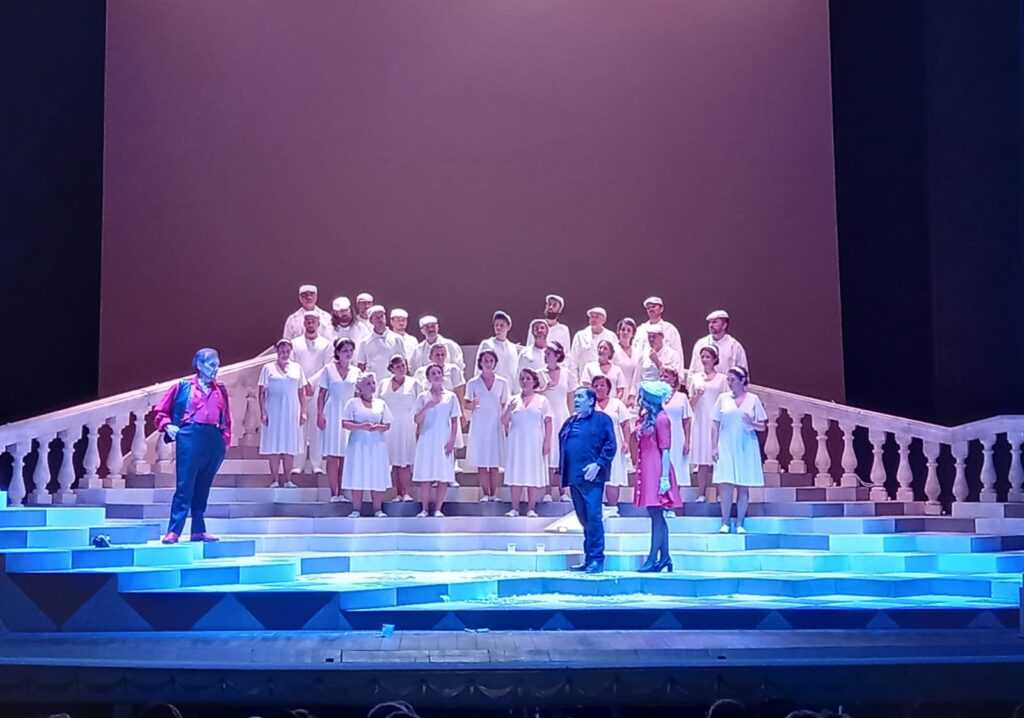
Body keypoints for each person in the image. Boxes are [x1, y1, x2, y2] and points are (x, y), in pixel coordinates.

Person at [154, 348, 231, 544]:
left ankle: (198, 530)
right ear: (199, 365)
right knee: (185, 485)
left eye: (217, 365)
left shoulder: (220, 389)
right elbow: (161, 411)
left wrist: (224, 441)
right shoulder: (183, 387)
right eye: (211, 365)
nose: (216, 369)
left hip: (213, 437)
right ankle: (174, 530)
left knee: (203, 486)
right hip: (190, 435)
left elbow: (227, 418)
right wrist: (167, 425)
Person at [558, 387, 617, 574]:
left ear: (591, 401)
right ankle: (589, 558)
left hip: (592, 477)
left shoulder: (602, 419)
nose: (576, 400)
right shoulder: (570, 421)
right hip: (574, 476)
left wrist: (598, 464)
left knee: (593, 517)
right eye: (575, 397)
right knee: (583, 519)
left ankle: (597, 559)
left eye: (580, 397)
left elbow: (611, 444)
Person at [634, 380, 683, 572]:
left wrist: (664, 478)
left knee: (656, 513)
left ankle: (654, 556)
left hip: (656, 469)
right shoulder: (647, 418)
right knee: (655, 514)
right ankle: (665, 557)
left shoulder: (662, 419)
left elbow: (665, 449)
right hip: (647, 467)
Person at [712, 366, 767, 533]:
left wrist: (752, 423)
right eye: (728, 380)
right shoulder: (723, 398)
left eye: (733, 380)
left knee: (743, 485)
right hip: (726, 444)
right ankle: (725, 522)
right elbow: (715, 423)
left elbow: (762, 426)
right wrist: (714, 447)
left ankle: (740, 523)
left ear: (742, 381)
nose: (730, 383)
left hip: (746, 445)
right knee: (726, 484)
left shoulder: (753, 399)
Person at [501, 368, 553, 517]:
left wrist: (547, 442)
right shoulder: (513, 399)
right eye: (522, 378)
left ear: (534, 381)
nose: (524, 381)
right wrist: (509, 409)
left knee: (533, 472)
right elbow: (503, 421)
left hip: (534, 440)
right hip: (516, 440)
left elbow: (548, 422)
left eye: (528, 378)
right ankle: (515, 508)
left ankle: (531, 508)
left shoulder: (542, 400)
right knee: (516, 472)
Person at [412, 363, 462, 517]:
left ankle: (438, 509)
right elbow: (417, 419)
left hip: (443, 438)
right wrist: (426, 407)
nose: (436, 376)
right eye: (433, 373)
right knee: (426, 476)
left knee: (443, 476)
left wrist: (452, 440)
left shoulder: (451, 397)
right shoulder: (423, 396)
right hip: (427, 439)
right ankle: (424, 509)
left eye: (438, 373)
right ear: (428, 377)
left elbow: (454, 420)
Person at [341, 373, 393, 517]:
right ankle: (356, 509)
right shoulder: (352, 403)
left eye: (373, 383)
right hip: (358, 444)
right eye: (368, 384)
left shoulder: (381, 403)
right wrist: (361, 426)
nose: (372, 386)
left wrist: (377, 427)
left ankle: (377, 509)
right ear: (360, 387)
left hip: (376, 444)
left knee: (376, 474)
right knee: (358, 473)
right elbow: (345, 423)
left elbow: (387, 424)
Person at [258, 339, 308, 488]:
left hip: (291, 409)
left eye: (287, 351)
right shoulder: (268, 368)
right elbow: (262, 392)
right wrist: (263, 412)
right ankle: (274, 479)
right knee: (273, 445)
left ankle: (288, 480)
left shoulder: (297, 368)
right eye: (282, 351)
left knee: (289, 445)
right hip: (273, 409)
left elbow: (302, 391)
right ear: (277, 351)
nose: (285, 354)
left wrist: (304, 411)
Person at [316, 338, 359, 502]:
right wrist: (320, 414)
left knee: (345, 456)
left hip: (348, 415)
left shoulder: (356, 372)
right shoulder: (328, 370)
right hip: (332, 413)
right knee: (333, 456)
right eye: (345, 350)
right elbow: (322, 394)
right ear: (338, 353)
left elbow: (357, 395)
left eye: (350, 350)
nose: (348, 353)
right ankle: (334, 493)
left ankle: (342, 491)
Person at [464, 350, 510, 502]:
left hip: (495, 424)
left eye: (491, 360)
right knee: (482, 461)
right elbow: (466, 404)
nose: (488, 363)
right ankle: (485, 493)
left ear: (495, 363)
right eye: (486, 360)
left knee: (494, 461)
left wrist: (506, 425)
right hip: (479, 425)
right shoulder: (473, 383)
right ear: (480, 363)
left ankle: (494, 494)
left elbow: (505, 404)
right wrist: (472, 404)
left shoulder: (502, 382)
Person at [291, 312, 332, 475]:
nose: (310, 324)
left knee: (316, 426)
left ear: (318, 323)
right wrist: (303, 383)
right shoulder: (295, 343)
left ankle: (317, 464)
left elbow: (327, 367)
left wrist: (311, 382)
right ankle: (297, 464)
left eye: (312, 321)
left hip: (318, 389)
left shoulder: (326, 344)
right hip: (299, 388)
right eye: (307, 321)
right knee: (299, 426)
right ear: (304, 323)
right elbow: (292, 365)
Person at [688, 344, 729, 502]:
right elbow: (690, 404)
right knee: (702, 459)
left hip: (715, 420)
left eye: (708, 357)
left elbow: (726, 400)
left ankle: (719, 494)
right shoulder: (696, 378)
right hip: (700, 420)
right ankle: (701, 493)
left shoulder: (722, 379)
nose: (705, 360)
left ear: (714, 359)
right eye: (703, 357)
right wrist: (697, 395)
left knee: (717, 459)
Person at [378, 355, 421, 503]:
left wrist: (420, 427)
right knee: (395, 463)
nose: (401, 369)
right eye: (397, 367)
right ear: (391, 369)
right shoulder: (383, 383)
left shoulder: (414, 383)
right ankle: (398, 493)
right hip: (389, 428)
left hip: (408, 426)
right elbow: (378, 404)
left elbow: (421, 405)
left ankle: (407, 492)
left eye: (403, 365)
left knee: (405, 461)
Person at [540, 341, 575, 502]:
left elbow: (570, 397)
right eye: (545, 353)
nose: (546, 356)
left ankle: (563, 491)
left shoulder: (566, 373)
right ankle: (547, 491)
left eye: (549, 353)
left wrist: (571, 417)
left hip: (562, 416)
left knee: (562, 453)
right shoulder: (539, 373)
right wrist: (544, 389)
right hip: (546, 417)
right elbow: (535, 394)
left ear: (557, 355)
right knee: (548, 454)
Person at [592, 376, 630, 515]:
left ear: (608, 387)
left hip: (613, 445)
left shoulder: (617, 404)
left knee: (613, 476)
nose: (598, 388)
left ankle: (613, 507)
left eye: (602, 385)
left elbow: (625, 424)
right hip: (594, 446)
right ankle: (595, 508)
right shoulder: (590, 404)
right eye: (596, 385)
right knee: (595, 476)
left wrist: (626, 442)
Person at [690, 309, 749, 377]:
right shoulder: (701, 344)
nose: (711, 325)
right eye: (710, 322)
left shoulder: (735, 347)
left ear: (724, 325)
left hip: (725, 383)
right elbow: (692, 370)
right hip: (701, 383)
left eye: (714, 322)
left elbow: (743, 375)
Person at [355, 305, 407, 381]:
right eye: (377, 317)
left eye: (382, 316)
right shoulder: (365, 342)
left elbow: (404, 362)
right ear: (371, 321)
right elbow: (361, 365)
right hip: (373, 383)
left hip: (392, 382)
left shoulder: (396, 338)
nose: (380, 320)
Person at [661, 367, 693, 488]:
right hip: (660, 436)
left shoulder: (682, 397)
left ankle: (675, 497)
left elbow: (687, 420)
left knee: (677, 468)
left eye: (666, 376)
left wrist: (687, 441)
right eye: (661, 376)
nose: (662, 379)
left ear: (674, 379)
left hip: (677, 436)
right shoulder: (657, 397)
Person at [568, 307, 616, 379]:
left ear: (604, 320)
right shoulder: (580, 336)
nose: (593, 319)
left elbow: (614, 360)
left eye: (596, 317)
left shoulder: (611, 336)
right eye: (592, 317)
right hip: (585, 379)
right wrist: (574, 382)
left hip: (605, 379)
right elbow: (573, 361)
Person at [476, 310, 520, 388]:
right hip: (491, 388)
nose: (498, 328)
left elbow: (514, 371)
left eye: (502, 325)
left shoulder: (512, 347)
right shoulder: (487, 344)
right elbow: (479, 368)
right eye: (496, 325)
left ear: (508, 327)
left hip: (509, 389)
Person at [613, 318, 641, 411]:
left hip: (632, 394)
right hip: (616, 392)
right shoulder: (613, 350)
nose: (625, 332)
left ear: (633, 334)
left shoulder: (637, 351)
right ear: (618, 331)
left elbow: (637, 375)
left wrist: (632, 394)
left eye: (628, 330)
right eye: (623, 329)